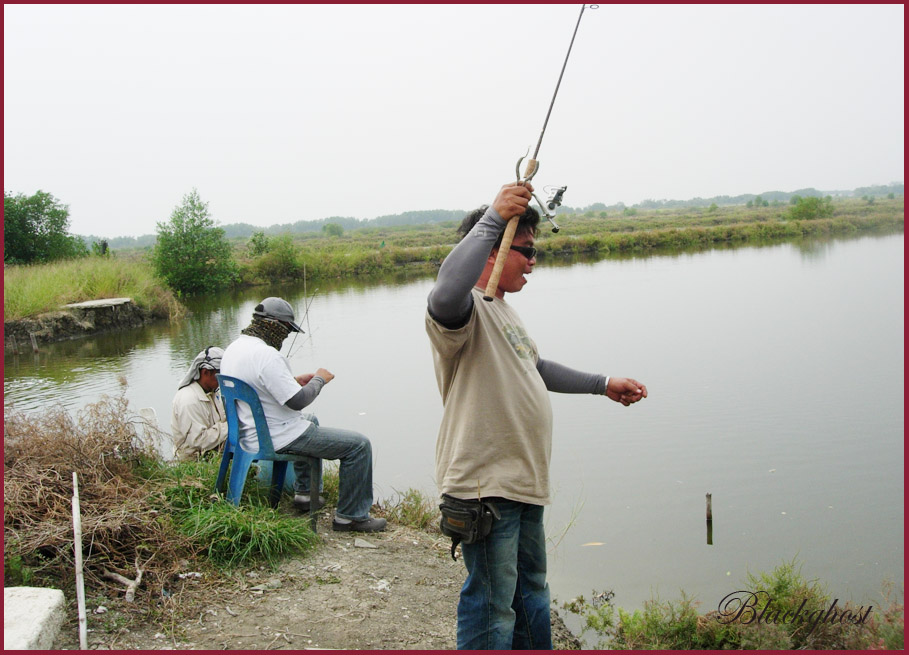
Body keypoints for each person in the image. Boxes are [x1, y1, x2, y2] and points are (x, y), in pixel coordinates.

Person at [425, 182, 648, 650]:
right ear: (493, 250)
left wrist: (602, 383)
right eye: (526, 250)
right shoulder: (464, 312)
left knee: (531, 594)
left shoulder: (503, 311)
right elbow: (444, 294)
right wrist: (492, 217)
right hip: (485, 487)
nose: (533, 261)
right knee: (491, 603)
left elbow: (536, 368)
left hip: (522, 484)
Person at [220, 297, 386, 532]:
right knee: (358, 445)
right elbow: (298, 401)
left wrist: (293, 381)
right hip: (275, 437)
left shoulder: (235, 349)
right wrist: (319, 380)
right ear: (274, 325)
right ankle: (351, 517)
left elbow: (257, 386)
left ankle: (306, 495)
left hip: (248, 433)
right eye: (286, 331)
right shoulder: (267, 356)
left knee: (312, 421)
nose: (285, 337)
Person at [171, 346, 229, 460]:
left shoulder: (212, 392)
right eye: (220, 374)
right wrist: (231, 426)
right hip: (196, 461)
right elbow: (199, 440)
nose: (223, 379)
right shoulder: (188, 399)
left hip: (213, 454)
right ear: (205, 372)